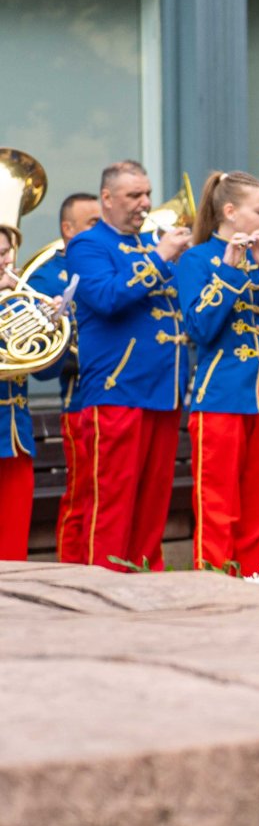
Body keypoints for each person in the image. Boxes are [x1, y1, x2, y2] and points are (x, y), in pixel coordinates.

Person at [175, 172, 259, 575]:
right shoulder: (196, 259)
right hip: (221, 396)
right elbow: (199, 329)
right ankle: (215, 590)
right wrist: (230, 273)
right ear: (230, 212)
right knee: (217, 506)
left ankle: (255, 585)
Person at [64, 161, 192, 572]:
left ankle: (143, 587)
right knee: (111, 507)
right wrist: (160, 258)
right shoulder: (88, 245)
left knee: (152, 506)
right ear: (107, 198)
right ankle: (101, 593)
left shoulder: (147, 245)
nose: (146, 203)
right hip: (118, 391)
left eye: (147, 194)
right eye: (134, 195)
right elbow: (106, 298)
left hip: (163, 390)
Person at [26, 191, 101, 563]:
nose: (100, 230)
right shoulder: (47, 274)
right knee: (83, 496)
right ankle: (73, 570)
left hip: (119, 393)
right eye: (92, 224)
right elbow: (42, 354)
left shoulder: (108, 260)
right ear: (67, 229)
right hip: (80, 399)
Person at [0, 227, 41, 560]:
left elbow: (46, 371)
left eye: (8, 252)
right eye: (0, 253)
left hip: (16, 438)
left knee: (14, 547)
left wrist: (51, 323)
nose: (8, 261)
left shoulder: (16, 306)